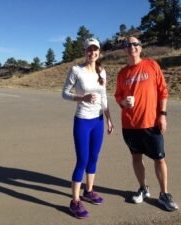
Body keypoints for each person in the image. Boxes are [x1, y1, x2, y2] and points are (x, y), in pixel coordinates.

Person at [114, 36, 178, 212]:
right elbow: (118, 96)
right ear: (125, 49)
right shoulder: (122, 73)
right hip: (129, 124)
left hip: (151, 122)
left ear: (140, 48)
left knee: (159, 158)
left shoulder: (151, 65)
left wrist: (162, 115)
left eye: (135, 44)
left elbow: (163, 91)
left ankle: (164, 194)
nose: (131, 47)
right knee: (136, 157)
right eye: (128, 45)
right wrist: (122, 103)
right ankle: (143, 188)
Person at [62, 37, 114, 219]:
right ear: (84, 52)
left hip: (98, 120)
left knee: (94, 157)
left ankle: (88, 191)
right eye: (89, 49)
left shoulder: (102, 72)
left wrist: (108, 119)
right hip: (83, 120)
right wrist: (81, 98)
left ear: (99, 52)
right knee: (82, 160)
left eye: (95, 49)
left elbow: (104, 97)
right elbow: (65, 94)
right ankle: (74, 201)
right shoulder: (76, 70)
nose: (92, 52)